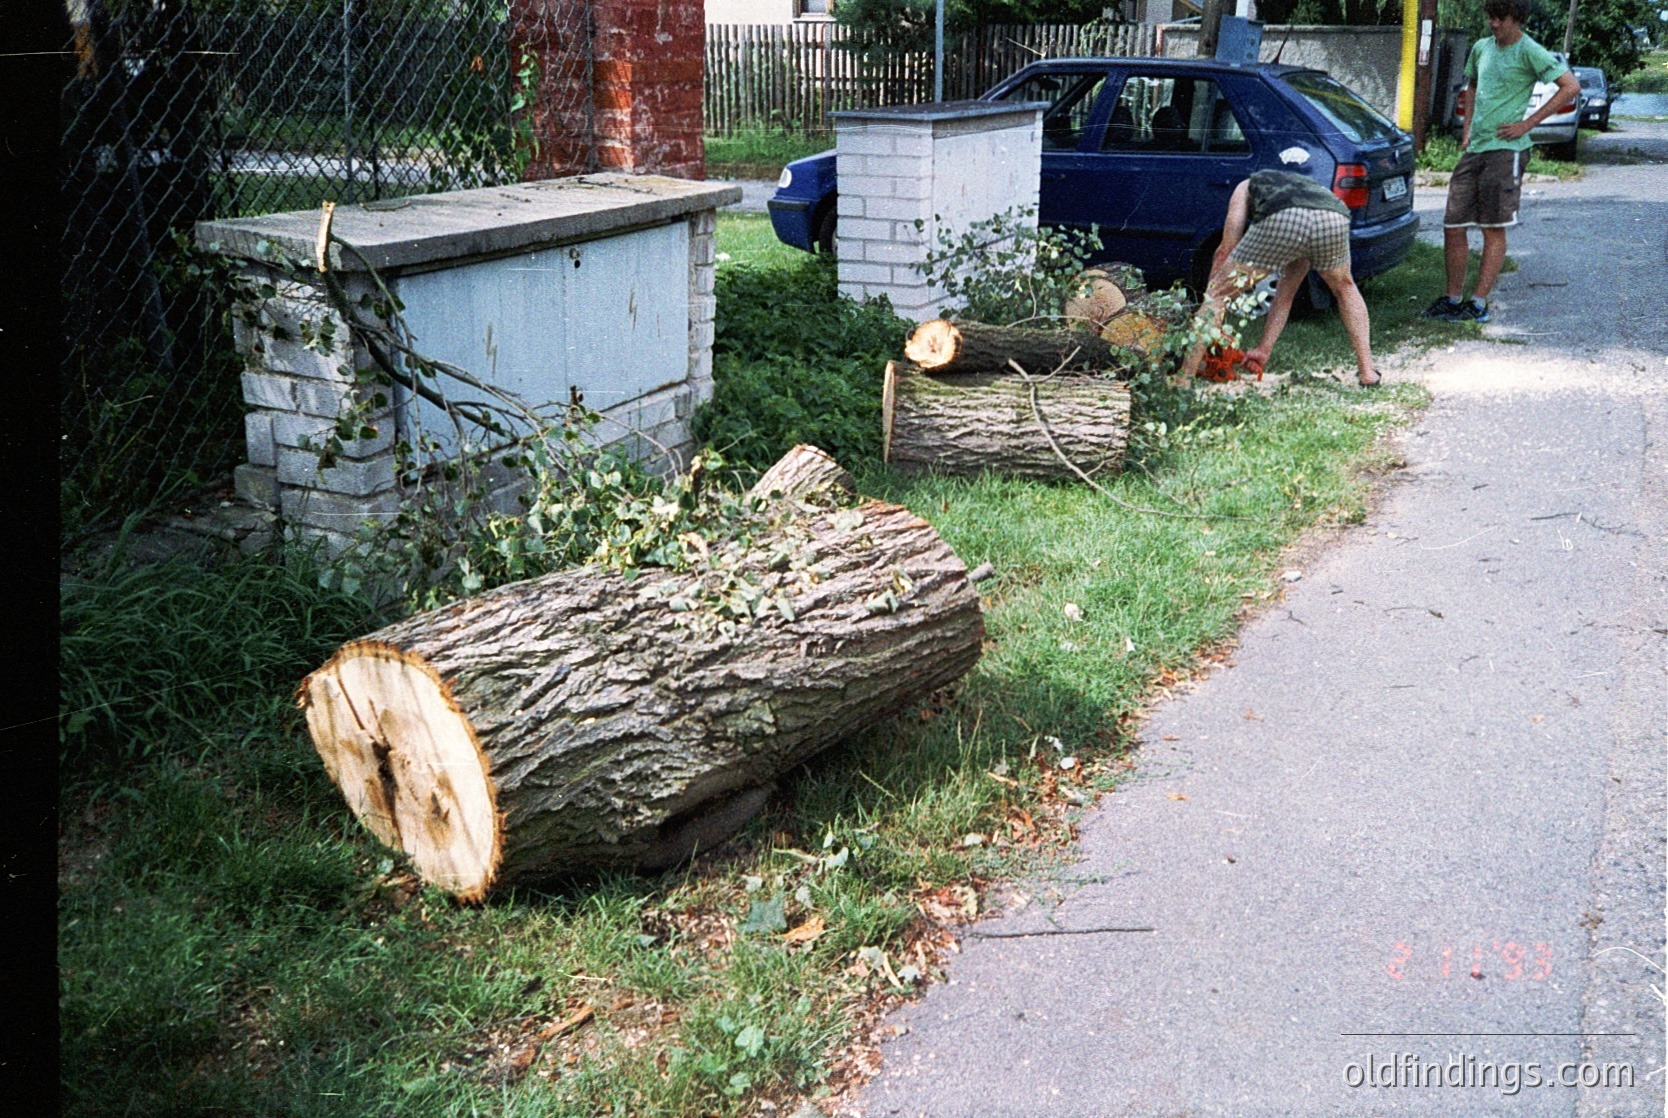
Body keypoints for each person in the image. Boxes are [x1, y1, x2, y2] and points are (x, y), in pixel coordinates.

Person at [1424, 0, 1579, 323]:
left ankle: (1477, 303)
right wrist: (1466, 130)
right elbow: (1472, 86)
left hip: (1506, 151)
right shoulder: (1482, 47)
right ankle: (1453, 299)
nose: (1494, 24)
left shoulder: (1530, 50)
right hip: (1476, 149)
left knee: (1492, 227)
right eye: (1491, 17)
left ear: (1517, 19)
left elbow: (1570, 87)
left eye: (1501, 18)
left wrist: (1527, 124)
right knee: (1453, 224)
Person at [1179, 168, 1380, 388]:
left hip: (1285, 218)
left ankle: (1184, 378)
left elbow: (1225, 249)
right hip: (1332, 217)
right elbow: (1284, 297)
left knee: (1217, 295)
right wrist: (1263, 349)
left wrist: (1213, 296)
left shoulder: (1245, 186)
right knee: (1345, 288)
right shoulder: (1305, 187)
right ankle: (1368, 372)